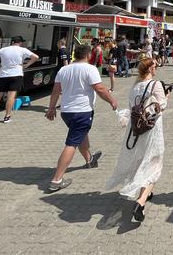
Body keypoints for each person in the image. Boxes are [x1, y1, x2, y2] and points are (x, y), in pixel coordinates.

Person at [45, 44, 118, 192]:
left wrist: (51, 108)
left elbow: (55, 91)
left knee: (80, 135)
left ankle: (89, 160)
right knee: (72, 142)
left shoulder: (63, 70)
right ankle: (56, 180)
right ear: (88, 55)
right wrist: (112, 100)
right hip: (82, 111)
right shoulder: (90, 69)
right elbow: (100, 88)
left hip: (67, 111)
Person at [106, 58, 169, 223]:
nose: (156, 68)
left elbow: (131, 106)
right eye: (154, 66)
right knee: (154, 163)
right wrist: (166, 96)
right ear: (150, 69)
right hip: (151, 128)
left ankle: (145, 193)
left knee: (143, 160)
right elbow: (161, 105)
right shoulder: (155, 85)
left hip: (136, 130)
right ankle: (140, 202)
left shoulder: (135, 87)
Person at [0, 36, 39, 124]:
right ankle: (7, 117)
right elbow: (35, 57)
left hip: (3, 75)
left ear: (12, 42)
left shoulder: (3, 49)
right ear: (20, 43)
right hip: (16, 75)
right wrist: (26, 65)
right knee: (11, 96)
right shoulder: (23, 50)